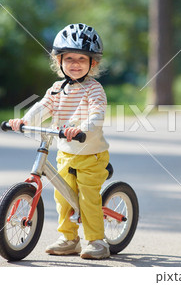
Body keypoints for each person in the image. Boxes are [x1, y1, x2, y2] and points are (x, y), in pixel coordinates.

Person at [9, 23, 110, 259]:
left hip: (91, 155)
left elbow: (97, 114)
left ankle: (97, 241)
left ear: (92, 63)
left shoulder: (94, 89)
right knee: (62, 197)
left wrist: (81, 129)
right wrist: (23, 120)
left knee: (87, 198)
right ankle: (69, 238)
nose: (75, 64)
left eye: (82, 59)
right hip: (65, 153)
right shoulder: (57, 89)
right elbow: (43, 106)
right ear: (59, 61)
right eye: (69, 58)